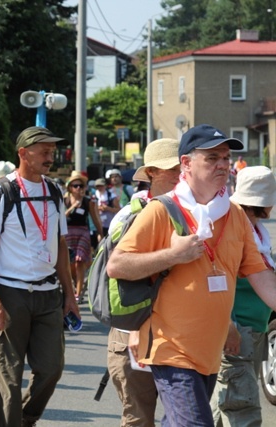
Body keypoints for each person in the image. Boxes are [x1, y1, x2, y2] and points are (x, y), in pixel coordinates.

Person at [106, 124, 276, 427]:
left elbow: (260, 275)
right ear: (186, 163)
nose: (222, 164)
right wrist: (173, 255)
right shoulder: (161, 210)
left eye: (225, 157)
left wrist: (228, 325)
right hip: (171, 350)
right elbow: (117, 265)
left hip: (210, 353)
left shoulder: (233, 214)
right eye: (211, 158)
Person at [0, 126, 78, 427]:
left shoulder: (54, 190)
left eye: (52, 150)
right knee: (7, 377)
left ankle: (24, 419)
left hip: (48, 293)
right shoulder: (1, 191)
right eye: (44, 151)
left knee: (51, 369)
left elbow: (60, 245)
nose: (51, 156)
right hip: (11, 293)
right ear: (23, 153)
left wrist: (70, 295)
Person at [105, 138, 181, 427]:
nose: (178, 174)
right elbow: (118, 273)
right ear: (151, 172)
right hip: (133, 331)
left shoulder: (196, 213)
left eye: (181, 167)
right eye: (170, 168)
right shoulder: (129, 215)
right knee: (139, 419)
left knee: (185, 417)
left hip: (179, 332)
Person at [210, 166, 276, 426]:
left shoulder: (253, 229)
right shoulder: (235, 228)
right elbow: (218, 281)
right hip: (237, 330)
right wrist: (229, 326)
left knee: (223, 403)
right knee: (242, 408)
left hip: (250, 329)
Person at [63, 171, 102, 303]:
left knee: (79, 261)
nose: (78, 188)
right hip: (68, 232)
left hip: (82, 232)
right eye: (75, 186)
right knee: (70, 263)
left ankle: (78, 294)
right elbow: (61, 217)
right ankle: (75, 285)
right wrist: (73, 206)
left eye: (80, 186)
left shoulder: (88, 201)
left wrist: (101, 234)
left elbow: (95, 218)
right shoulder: (64, 200)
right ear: (70, 187)